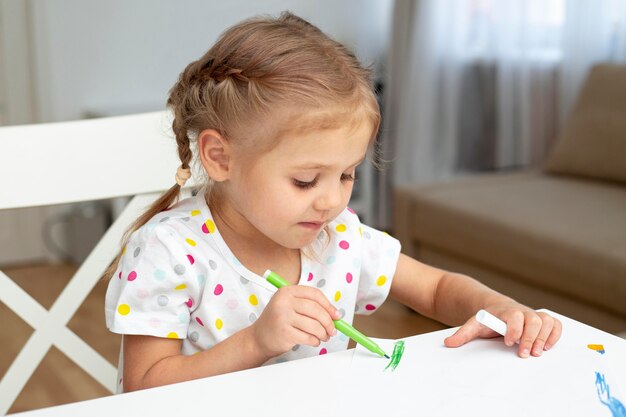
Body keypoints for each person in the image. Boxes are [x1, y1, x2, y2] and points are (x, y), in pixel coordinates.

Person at [104, 11, 562, 393]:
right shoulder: (169, 250)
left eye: (346, 174)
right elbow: (145, 387)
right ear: (220, 157)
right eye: (305, 180)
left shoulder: (337, 236)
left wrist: (500, 309)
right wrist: (255, 342)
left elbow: (437, 290)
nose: (330, 201)